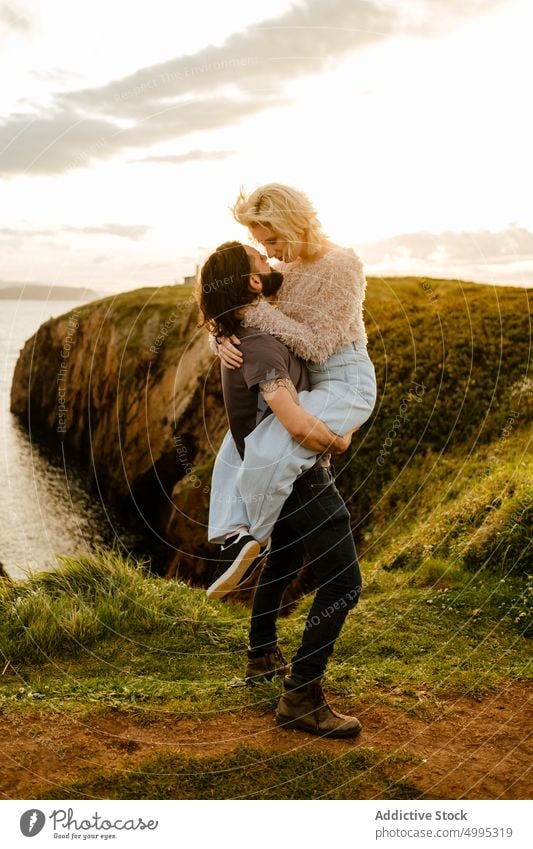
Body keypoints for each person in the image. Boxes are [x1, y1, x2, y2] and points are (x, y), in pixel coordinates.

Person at [198, 240, 363, 738]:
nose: (270, 263)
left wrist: (217, 332)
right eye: (260, 260)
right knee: (344, 580)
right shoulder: (260, 342)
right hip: (293, 469)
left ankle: (261, 656)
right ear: (251, 283)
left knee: (286, 559)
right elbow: (292, 422)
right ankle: (301, 696)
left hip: (276, 467)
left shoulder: (249, 328)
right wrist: (338, 439)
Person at [207, 183, 376, 597]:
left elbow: (317, 343)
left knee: (271, 448)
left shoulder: (342, 264)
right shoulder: (287, 268)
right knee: (237, 444)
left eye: (274, 240)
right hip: (306, 382)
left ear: (293, 223)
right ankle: (234, 534)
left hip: (343, 379)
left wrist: (255, 312)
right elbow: (240, 302)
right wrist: (222, 336)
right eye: (262, 245)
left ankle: (256, 540)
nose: (271, 252)